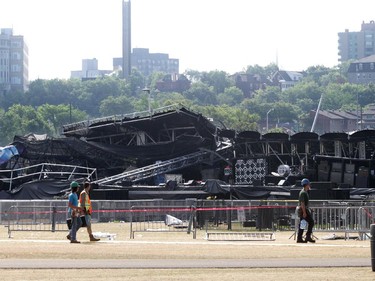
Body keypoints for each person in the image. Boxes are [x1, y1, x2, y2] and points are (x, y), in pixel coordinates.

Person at [297, 178, 315, 243]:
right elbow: (302, 203)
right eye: (308, 184)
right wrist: (304, 212)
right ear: (306, 184)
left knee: (304, 223)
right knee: (310, 222)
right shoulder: (303, 193)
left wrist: (309, 209)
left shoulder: (305, 192)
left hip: (304, 209)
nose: (309, 185)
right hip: (303, 210)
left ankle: (301, 237)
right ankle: (305, 237)